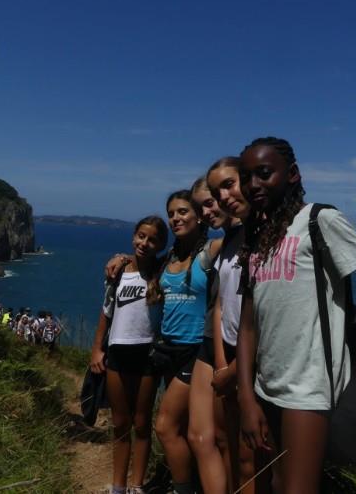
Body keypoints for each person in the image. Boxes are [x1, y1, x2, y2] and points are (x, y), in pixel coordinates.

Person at [236, 137, 356, 494]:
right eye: (246, 177)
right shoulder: (259, 236)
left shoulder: (320, 220)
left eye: (264, 173)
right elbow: (248, 326)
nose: (253, 185)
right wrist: (246, 397)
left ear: (292, 174)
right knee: (273, 484)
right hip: (266, 385)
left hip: (309, 385)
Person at [89, 216, 168, 494]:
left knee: (142, 422)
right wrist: (97, 349)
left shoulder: (162, 271)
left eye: (153, 239)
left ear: (161, 245)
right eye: (141, 236)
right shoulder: (119, 271)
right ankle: (118, 486)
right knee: (121, 423)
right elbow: (106, 311)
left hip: (147, 353)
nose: (145, 243)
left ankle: (137, 486)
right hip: (118, 351)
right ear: (134, 236)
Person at [153, 189, 221, 494]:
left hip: (197, 351)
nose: (175, 218)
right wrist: (123, 258)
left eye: (182, 212)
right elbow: (145, 267)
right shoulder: (170, 257)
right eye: (171, 214)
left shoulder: (212, 249)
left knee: (165, 426)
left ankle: (183, 490)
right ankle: (192, 482)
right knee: (184, 426)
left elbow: (241, 241)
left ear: (199, 216)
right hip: (169, 348)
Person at [205, 156, 259, 493]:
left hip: (255, 360)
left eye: (229, 184)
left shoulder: (270, 236)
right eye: (216, 192)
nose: (223, 197)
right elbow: (222, 304)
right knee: (228, 443)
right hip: (228, 354)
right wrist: (222, 365)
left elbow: (272, 315)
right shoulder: (230, 241)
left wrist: (235, 369)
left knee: (251, 455)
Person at [187, 172, 239, 494]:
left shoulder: (246, 237)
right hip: (213, 343)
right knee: (201, 436)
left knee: (229, 442)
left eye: (210, 203)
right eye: (201, 208)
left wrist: (228, 365)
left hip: (234, 349)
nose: (206, 213)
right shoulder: (223, 243)